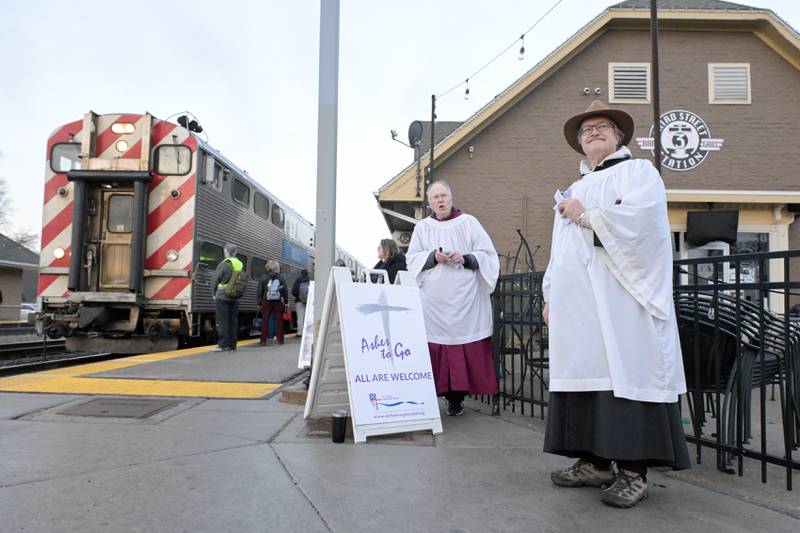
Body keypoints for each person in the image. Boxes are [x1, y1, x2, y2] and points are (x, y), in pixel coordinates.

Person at [542, 100, 690, 509]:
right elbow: (560, 251)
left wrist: (588, 215)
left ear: (619, 135)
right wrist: (551, 293)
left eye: (602, 126)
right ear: (578, 142)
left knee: (625, 371)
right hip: (579, 308)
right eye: (586, 130)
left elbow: (643, 225)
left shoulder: (639, 173)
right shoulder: (571, 189)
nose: (593, 133)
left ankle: (632, 470)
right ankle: (593, 462)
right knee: (587, 374)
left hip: (621, 301)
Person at [406, 181, 500, 416]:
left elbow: (488, 255)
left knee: (461, 347)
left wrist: (465, 258)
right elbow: (412, 258)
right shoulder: (422, 228)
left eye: (444, 195)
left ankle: (456, 399)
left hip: (464, 300)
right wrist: (432, 256)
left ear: (451, 197)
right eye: (435, 197)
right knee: (435, 347)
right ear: (429, 202)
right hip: (433, 303)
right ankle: (435, 396)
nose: (440, 200)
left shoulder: (469, 223)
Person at [210, 243, 243, 352]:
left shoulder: (224, 264)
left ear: (226, 252)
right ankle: (232, 346)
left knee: (222, 321)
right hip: (235, 296)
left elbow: (215, 279)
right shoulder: (239, 264)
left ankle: (223, 345)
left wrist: (213, 292)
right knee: (233, 321)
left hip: (223, 296)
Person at [258, 260, 288, 345]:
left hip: (266, 301)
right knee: (279, 320)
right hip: (278, 301)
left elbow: (260, 290)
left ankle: (263, 340)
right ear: (276, 268)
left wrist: (258, 303)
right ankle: (280, 340)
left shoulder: (263, 277)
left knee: (265, 320)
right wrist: (286, 302)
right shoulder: (281, 277)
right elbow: (284, 290)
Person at [291, 269, 311, 337]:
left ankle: (300, 332)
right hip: (308, 301)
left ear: (301, 273)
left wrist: (298, 296)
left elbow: (294, 291)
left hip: (299, 301)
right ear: (307, 274)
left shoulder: (297, 281)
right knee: (308, 317)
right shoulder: (310, 281)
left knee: (300, 317)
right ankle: (308, 332)